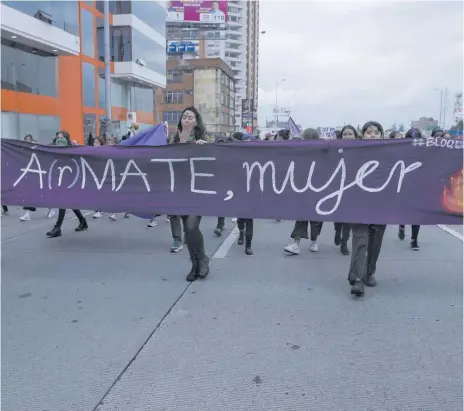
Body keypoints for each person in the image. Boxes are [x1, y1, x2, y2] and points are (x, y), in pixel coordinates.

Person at [169, 107, 214, 282]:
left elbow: (216, 155)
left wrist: (205, 148)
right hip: (181, 189)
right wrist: (184, 137)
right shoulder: (173, 137)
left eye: (190, 116)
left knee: (191, 227)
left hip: (199, 189)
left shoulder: (206, 137)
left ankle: (202, 259)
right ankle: (194, 264)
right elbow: (169, 156)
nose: (187, 119)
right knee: (188, 231)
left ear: (197, 120)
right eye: (184, 116)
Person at [348, 121, 387, 297]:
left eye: (376, 132)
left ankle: (369, 272)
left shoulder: (390, 154)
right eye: (369, 132)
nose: (372, 135)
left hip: (381, 204)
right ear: (362, 135)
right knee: (360, 240)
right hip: (358, 203)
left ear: (381, 135)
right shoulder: (354, 153)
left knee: (375, 241)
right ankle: (357, 279)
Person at [284, 128, 324, 255]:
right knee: (311, 217)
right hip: (313, 189)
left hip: (308, 188)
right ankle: (309, 243)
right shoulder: (319, 151)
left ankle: (300, 243)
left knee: (305, 217)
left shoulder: (306, 152)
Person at [46, 131, 88, 238]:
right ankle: (83, 221)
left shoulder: (72, 149)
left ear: (66, 138)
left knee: (63, 201)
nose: (59, 139)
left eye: (61, 137)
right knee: (69, 202)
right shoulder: (54, 147)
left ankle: (58, 228)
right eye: (57, 137)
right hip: (59, 178)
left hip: (70, 179)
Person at [332, 125, 358, 255]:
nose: (348, 136)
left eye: (350, 134)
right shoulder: (336, 149)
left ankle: (344, 242)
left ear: (355, 135)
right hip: (338, 186)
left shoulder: (361, 150)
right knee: (338, 216)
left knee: (348, 218)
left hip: (353, 187)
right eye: (345, 134)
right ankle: (337, 230)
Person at [231, 132, 255, 255]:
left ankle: (248, 244)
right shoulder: (235, 156)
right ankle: (241, 232)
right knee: (240, 217)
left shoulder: (257, 156)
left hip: (251, 192)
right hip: (238, 190)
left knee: (249, 219)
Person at [397, 128, 422, 250]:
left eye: (416, 139)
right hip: (404, 186)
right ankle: (401, 226)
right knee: (404, 212)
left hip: (419, 187)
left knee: (417, 214)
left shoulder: (425, 152)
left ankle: (414, 239)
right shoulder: (402, 151)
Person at [92, 136, 106, 219]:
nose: (95, 144)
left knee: (99, 192)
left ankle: (99, 210)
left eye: (97, 142)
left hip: (101, 175)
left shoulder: (104, 152)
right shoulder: (90, 151)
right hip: (93, 175)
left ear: (101, 144)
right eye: (94, 142)